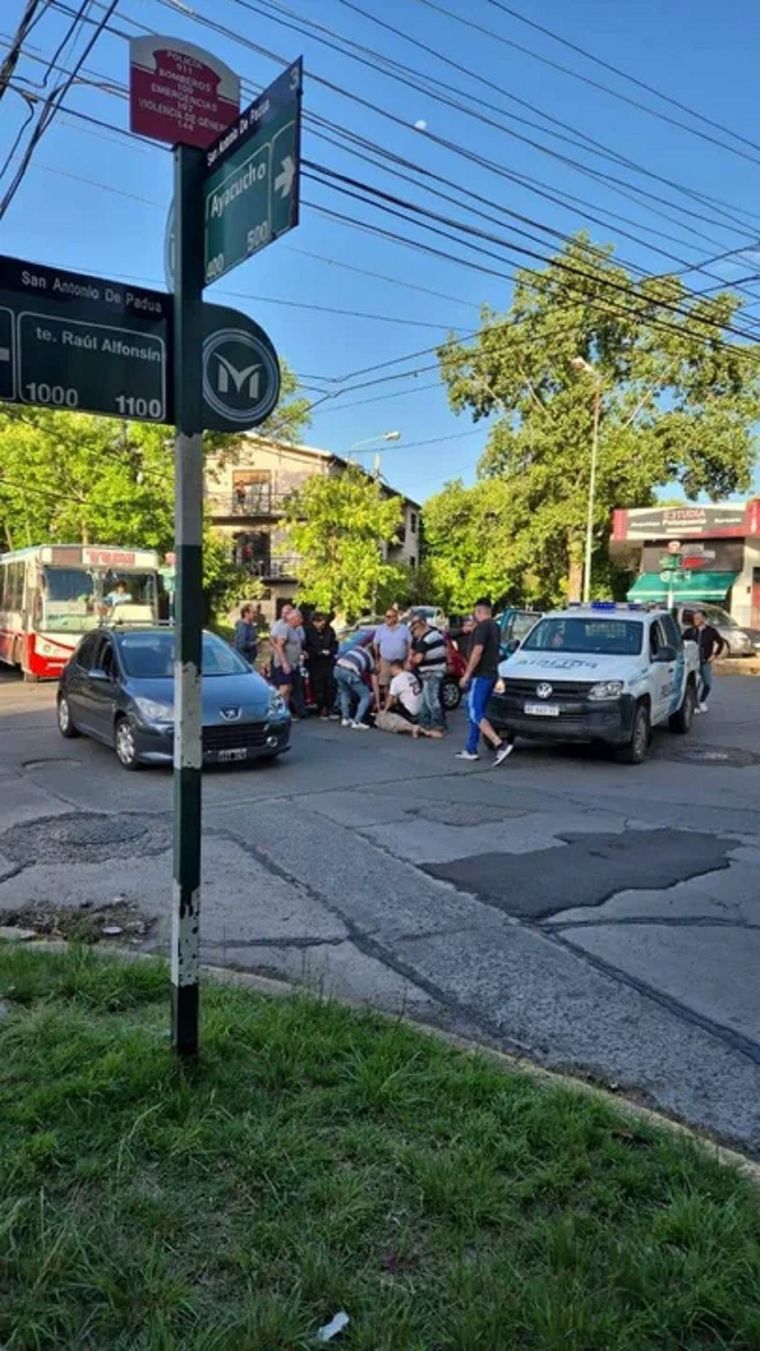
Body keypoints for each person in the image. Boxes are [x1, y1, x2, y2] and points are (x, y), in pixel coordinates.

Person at [456, 598, 514, 766]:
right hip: (491, 674)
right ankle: (471, 748)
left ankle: (500, 744)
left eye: (475, 612)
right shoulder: (495, 627)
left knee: (475, 711)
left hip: (480, 675)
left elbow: (477, 651)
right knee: (476, 709)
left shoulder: (482, 627)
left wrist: (467, 674)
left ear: (479, 611)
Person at [376, 659, 443, 738]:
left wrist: (385, 709)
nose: (390, 672)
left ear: (395, 668)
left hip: (410, 711)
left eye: (391, 669)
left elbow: (390, 698)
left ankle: (412, 726)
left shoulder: (396, 680)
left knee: (386, 715)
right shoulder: (410, 675)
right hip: (419, 709)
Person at [409, 614, 447, 735]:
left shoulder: (425, 639)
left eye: (413, 631)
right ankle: (423, 723)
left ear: (419, 628)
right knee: (425, 700)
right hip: (437, 670)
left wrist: (412, 660)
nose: (413, 635)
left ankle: (438, 724)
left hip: (431, 672)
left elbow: (418, 659)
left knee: (431, 700)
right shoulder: (436, 634)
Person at [683, 608, 726, 712]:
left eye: (698, 618)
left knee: (707, 684)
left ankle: (702, 701)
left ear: (704, 619)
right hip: (693, 662)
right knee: (695, 684)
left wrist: (715, 655)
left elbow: (721, 643)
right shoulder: (690, 631)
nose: (695, 620)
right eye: (694, 618)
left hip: (705, 661)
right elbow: (682, 642)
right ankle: (695, 705)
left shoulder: (711, 631)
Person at [270, 604, 307, 719]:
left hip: (294, 664)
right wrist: (284, 662)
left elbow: (294, 645)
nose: (301, 620)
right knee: (284, 687)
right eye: (299, 618)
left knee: (289, 688)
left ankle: (283, 712)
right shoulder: (285, 628)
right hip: (284, 663)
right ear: (293, 619)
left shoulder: (296, 630)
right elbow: (279, 646)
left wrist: (301, 652)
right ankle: (272, 708)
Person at [334, 640, 379, 729]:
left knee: (345, 693)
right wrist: (377, 701)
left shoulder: (356, 648)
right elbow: (374, 679)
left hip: (337, 668)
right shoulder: (370, 659)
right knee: (365, 696)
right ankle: (357, 721)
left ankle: (345, 719)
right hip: (350, 672)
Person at [304, 611, 338, 720]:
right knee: (318, 686)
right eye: (319, 621)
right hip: (315, 663)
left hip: (328, 662)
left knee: (330, 685)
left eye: (323, 621)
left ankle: (330, 707)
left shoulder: (329, 631)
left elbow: (335, 644)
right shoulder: (308, 631)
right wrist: (318, 651)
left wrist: (330, 651)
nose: (322, 624)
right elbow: (306, 647)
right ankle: (321, 708)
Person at [373, 607, 411, 696]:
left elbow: (409, 643)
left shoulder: (404, 629)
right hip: (385, 660)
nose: (386, 618)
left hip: (400, 661)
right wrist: (377, 660)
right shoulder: (381, 629)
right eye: (386, 616)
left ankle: (399, 702)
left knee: (401, 682)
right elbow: (375, 644)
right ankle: (388, 704)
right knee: (385, 683)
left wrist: (408, 659)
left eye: (389, 616)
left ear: (395, 618)